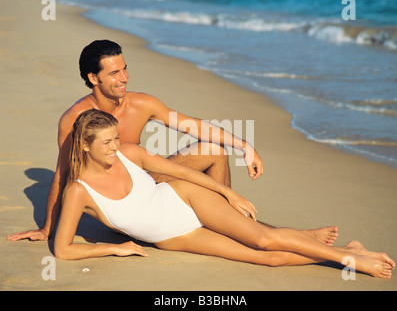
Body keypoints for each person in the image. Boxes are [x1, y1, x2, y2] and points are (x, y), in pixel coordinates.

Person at [54, 109, 395, 279]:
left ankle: (352, 261)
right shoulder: (78, 191)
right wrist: (115, 249)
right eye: (107, 143)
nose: (116, 147)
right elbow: (64, 250)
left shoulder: (129, 152)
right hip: (177, 236)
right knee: (268, 258)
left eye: (116, 138)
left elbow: (179, 172)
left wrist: (225, 193)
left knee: (263, 239)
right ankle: (347, 249)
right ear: (85, 146)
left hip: (184, 197)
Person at [7, 39, 263, 242]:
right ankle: (229, 226)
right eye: (114, 73)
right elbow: (63, 174)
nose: (124, 78)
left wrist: (244, 145)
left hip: (146, 186)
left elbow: (192, 126)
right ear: (94, 78)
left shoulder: (141, 103)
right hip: (119, 207)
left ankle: (227, 223)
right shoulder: (75, 119)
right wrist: (47, 229)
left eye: (125, 69)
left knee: (214, 150)